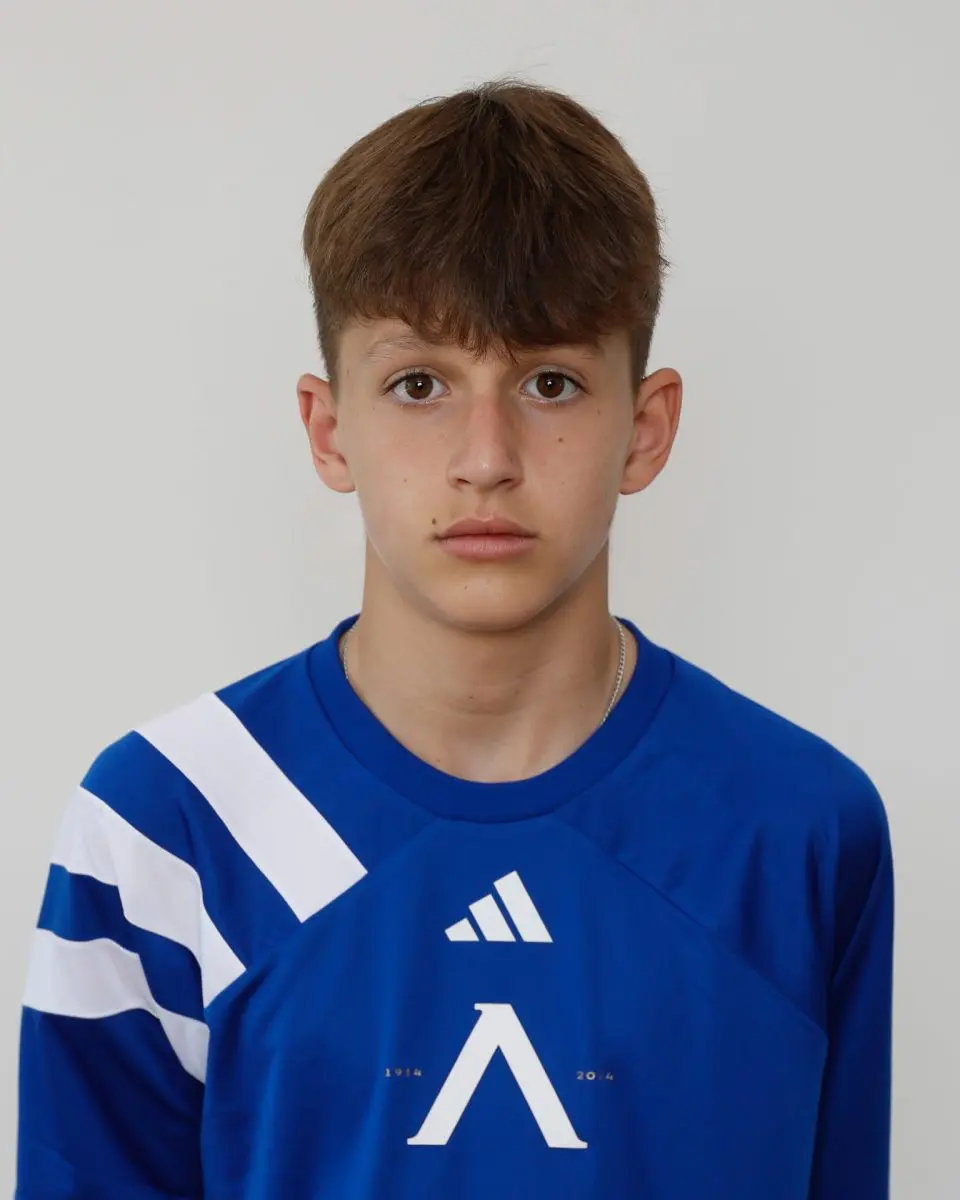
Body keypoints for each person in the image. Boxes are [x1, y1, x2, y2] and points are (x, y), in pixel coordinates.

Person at [16, 78, 894, 1199]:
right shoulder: (169, 823)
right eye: (420, 383)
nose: (487, 457)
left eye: (551, 382)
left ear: (646, 428)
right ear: (329, 430)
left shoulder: (799, 824)